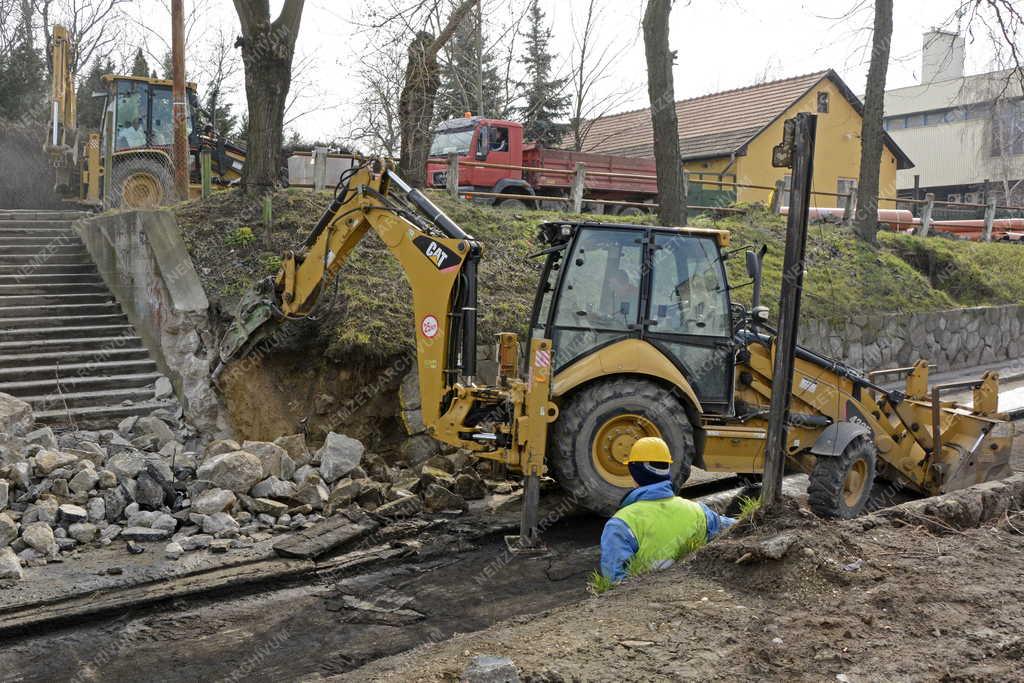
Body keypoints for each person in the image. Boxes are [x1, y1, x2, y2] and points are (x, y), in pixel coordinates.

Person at [600, 436, 736, 583]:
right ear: (667, 470)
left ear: (634, 472)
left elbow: (614, 585)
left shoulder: (620, 525)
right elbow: (739, 527)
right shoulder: (699, 512)